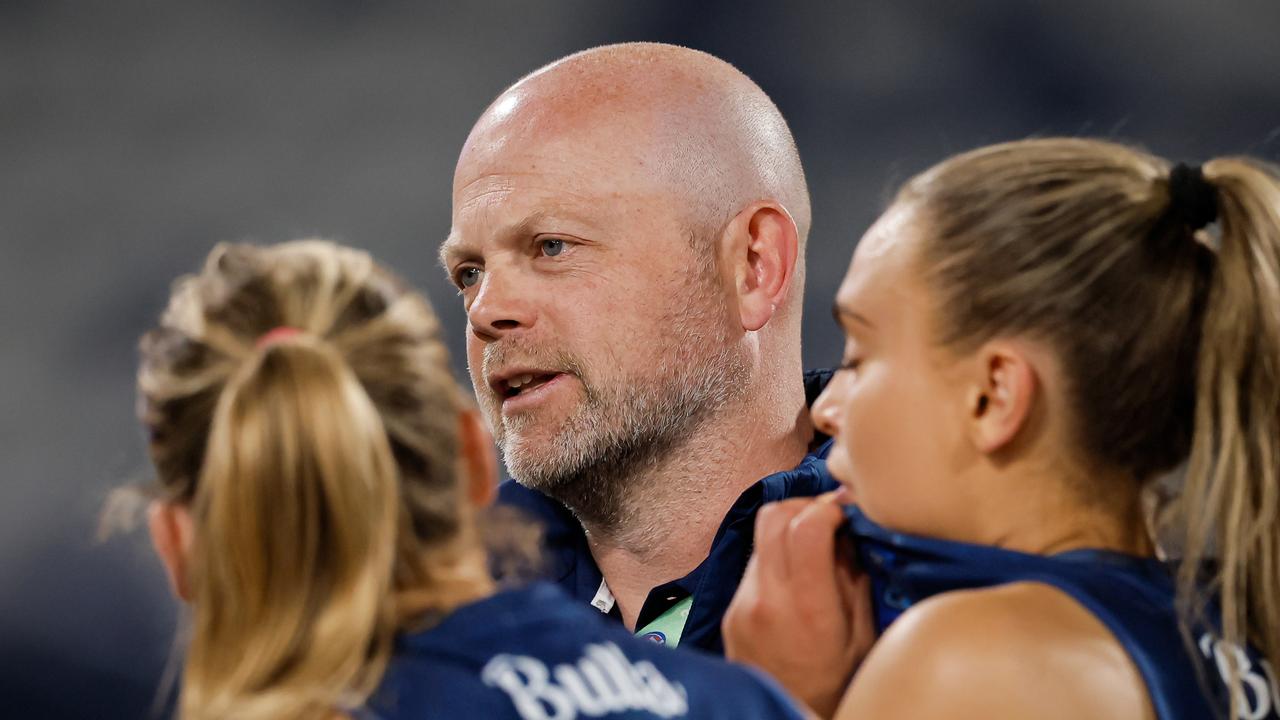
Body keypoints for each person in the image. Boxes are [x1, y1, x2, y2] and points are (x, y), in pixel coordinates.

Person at [133, 239, 809, 720]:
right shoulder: (745, 702)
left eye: (551, 247)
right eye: (468, 273)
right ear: (469, 457)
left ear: (176, 544)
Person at [723, 138, 1280, 720]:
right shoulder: (1242, 631)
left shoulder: (971, 661)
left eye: (860, 357)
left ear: (994, 396)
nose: (826, 409)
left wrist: (778, 696)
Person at [441, 41, 837, 653]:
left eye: (552, 247)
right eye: (469, 272)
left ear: (754, 267)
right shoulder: (407, 624)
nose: (486, 310)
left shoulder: (948, 590)